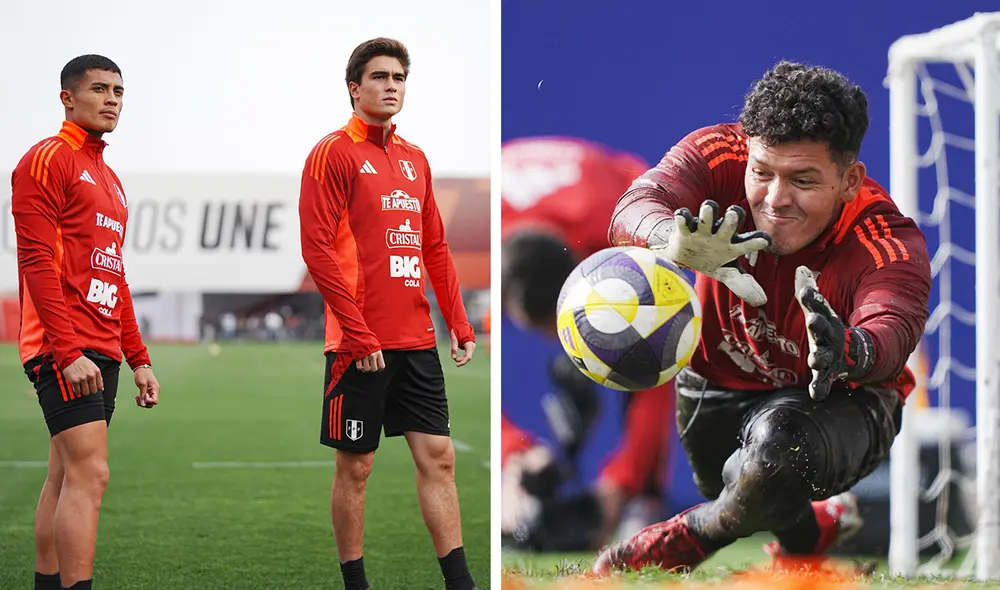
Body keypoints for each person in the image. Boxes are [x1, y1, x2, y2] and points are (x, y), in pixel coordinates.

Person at [592, 60, 932, 575]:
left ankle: (690, 537)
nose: (775, 200)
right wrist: (668, 238)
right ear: (746, 150)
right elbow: (633, 206)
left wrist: (851, 348)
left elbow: (895, 325)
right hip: (717, 380)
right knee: (737, 480)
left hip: (843, 398)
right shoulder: (717, 152)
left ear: (849, 180)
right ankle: (815, 530)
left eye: (803, 180)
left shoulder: (886, 239)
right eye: (762, 173)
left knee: (770, 458)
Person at [298, 37, 480, 590]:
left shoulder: (414, 159)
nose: (391, 87)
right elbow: (317, 251)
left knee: (440, 458)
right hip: (358, 346)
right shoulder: (332, 153)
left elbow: (435, 249)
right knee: (357, 467)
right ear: (354, 88)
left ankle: (461, 582)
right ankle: (356, 583)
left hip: (416, 340)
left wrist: (459, 321)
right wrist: (356, 333)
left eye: (399, 78)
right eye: (379, 77)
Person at [11, 54, 161, 590]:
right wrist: (66, 350)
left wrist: (139, 358)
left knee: (65, 475)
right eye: (99, 89)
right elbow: (34, 263)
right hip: (64, 348)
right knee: (91, 476)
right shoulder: (45, 160)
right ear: (67, 98)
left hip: (101, 347)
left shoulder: (113, 181)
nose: (112, 99)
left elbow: (115, 275)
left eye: (119, 91)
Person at [500, 136, 677, 550]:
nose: (554, 342)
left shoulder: (622, 230)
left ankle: (644, 497)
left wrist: (621, 483)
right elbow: (454, 357)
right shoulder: (477, 235)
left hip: (615, 182)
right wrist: (513, 453)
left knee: (649, 339)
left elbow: (662, 362)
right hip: (529, 200)